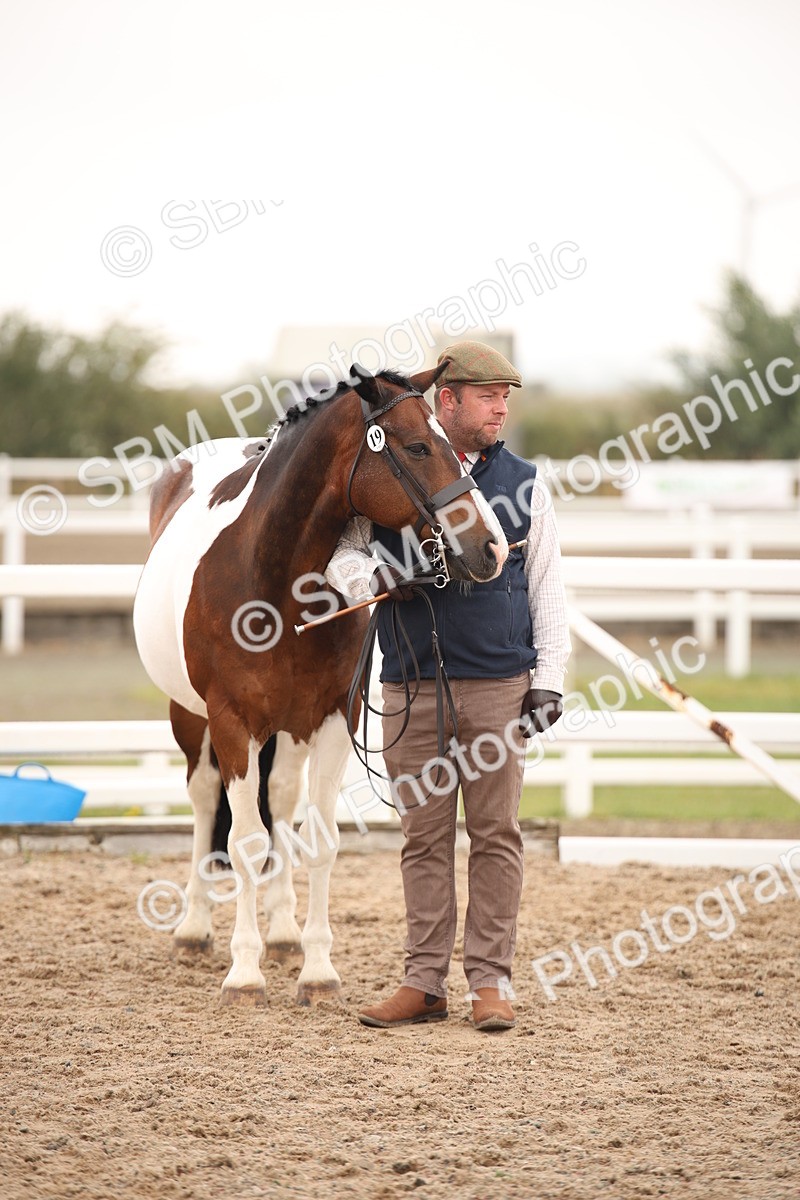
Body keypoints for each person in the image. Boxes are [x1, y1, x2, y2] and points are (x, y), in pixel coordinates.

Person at [325, 340, 570, 1031]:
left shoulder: (525, 481)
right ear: (448, 400)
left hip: (498, 682)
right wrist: (372, 580)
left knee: (496, 835)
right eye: (488, 395)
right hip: (410, 683)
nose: (501, 408)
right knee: (423, 839)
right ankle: (424, 981)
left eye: (506, 397)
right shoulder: (391, 470)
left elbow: (548, 587)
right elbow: (343, 553)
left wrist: (547, 679)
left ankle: (490, 983)